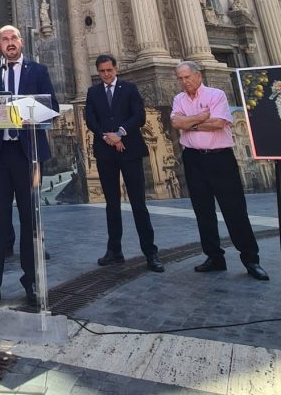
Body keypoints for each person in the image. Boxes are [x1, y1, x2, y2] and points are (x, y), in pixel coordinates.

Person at [0, 24, 58, 305]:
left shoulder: (38, 71)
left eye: (13, 38)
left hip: (27, 155)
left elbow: (52, 106)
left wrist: (34, 114)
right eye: (4, 39)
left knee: (31, 221)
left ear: (21, 41)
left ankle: (31, 284)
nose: (10, 43)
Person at [171, 60, 269, 280]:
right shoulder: (179, 99)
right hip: (193, 158)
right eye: (180, 78)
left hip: (220, 159)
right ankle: (214, 257)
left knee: (234, 210)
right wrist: (199, 118)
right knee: (203, 211)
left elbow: (218, 123)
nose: (184, 82)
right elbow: (177, 123)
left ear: (198, 75)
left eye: (187, 77)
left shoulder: (216, 94)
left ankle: (251, 260)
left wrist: (190, 123)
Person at [85, 54, 164, 272]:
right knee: (112, 204)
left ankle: (151, 253)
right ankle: (114, 251)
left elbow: (138, 116)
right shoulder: (93, 92)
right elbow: (90, 119)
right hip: (105, 152)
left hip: (129, 151)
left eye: (109, 70)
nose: (106, 74)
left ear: (116, 69)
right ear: (98, 72)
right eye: (101, 71)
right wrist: (107, 136)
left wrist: (120, 134)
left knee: (139, 203)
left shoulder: (129, 88)